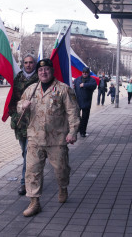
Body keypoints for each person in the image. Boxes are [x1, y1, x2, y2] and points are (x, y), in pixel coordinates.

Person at [18, 59, 80, 217]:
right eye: (40, 70)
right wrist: (21, 106)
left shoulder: (63, 89)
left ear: (52, 71)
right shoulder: (31, 90)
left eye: (46, 69)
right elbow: (20, 106)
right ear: (37, 73)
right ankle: (34, 202)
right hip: (34, 139)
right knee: (32, 172)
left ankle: (63, 187)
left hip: (57, 140)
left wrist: (72, 132)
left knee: (61, 170)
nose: (43, 72)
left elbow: (73, 111)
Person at [8, 53, 39, 196]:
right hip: (20, 123)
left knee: (28, 152)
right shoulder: (18, 78)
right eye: (26, 62)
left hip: (35, 122)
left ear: (35, 63)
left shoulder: (40, 78)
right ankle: (34, 175)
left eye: (31, 62)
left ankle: (24, 183)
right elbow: (12, 99)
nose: (28, 65)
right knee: (24, 152)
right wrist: (14, 116)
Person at [74, 67, 97, 137]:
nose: (84, 74)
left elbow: (94, 86)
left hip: (87, 102)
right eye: (83, 72)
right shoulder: (77, 79)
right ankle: (79, 128)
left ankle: (83, 132)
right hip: (78, 101)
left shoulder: (92, 80)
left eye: (86, 73)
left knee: (85, 117)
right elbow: (72, 85)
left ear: (88, 73)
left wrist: (85, 85)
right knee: (76, 116)